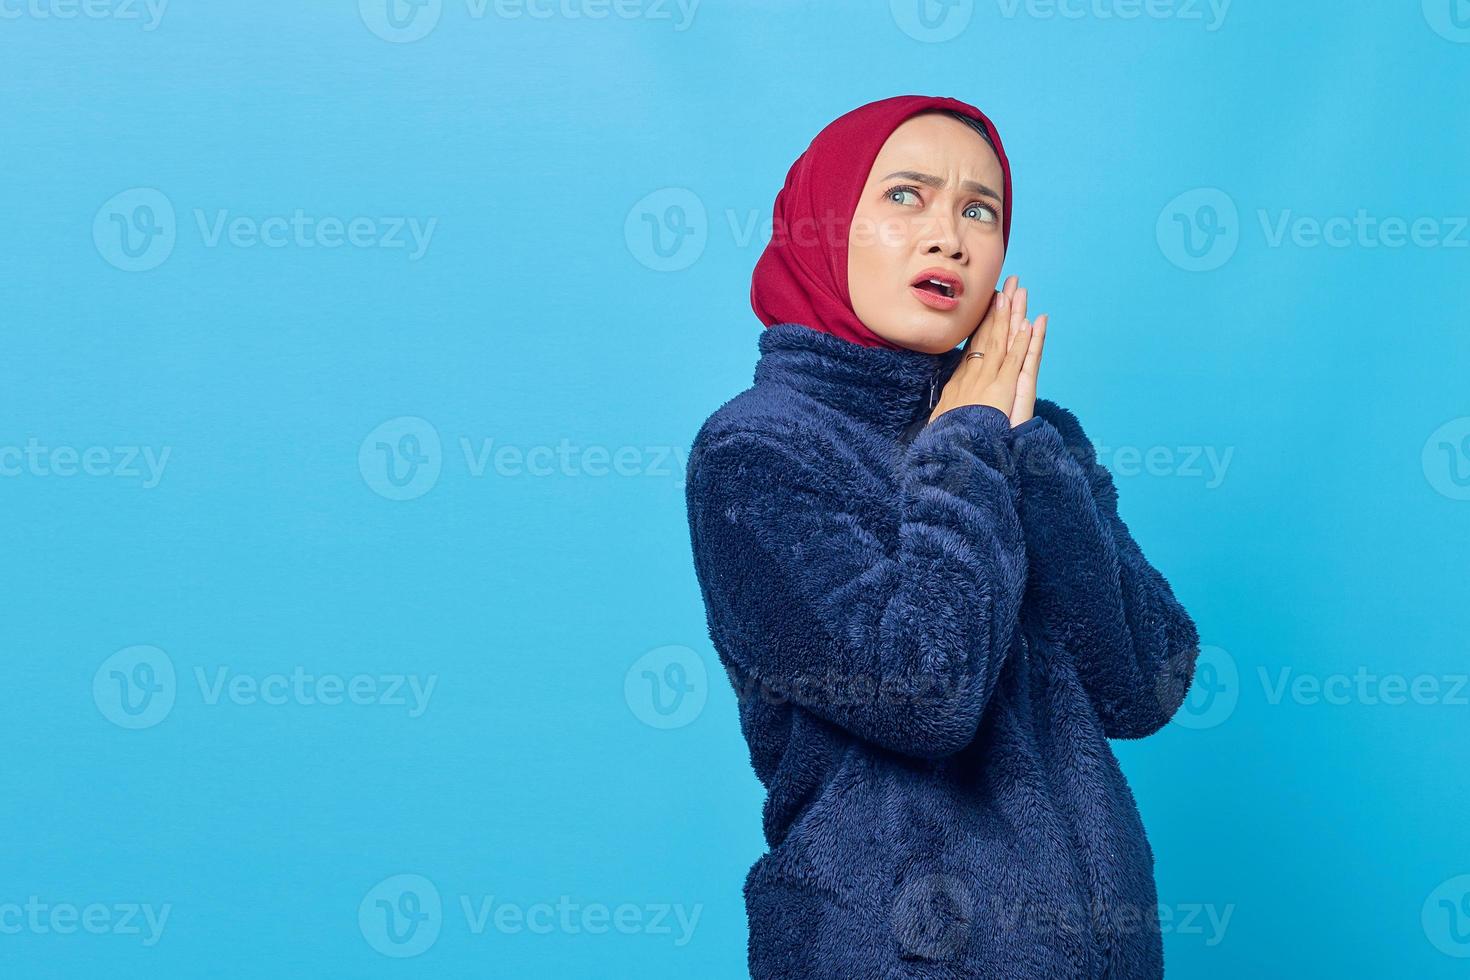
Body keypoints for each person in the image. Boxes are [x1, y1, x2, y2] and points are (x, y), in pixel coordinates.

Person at [683, 94, 1202, 978]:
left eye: (979, 210)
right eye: (904, 197)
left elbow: (1143, 689)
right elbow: (922, 695)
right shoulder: (755, 451)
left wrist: (1024, 446)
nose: (949, 238)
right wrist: (967, 445)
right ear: (827, 224)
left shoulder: (1034, 433)